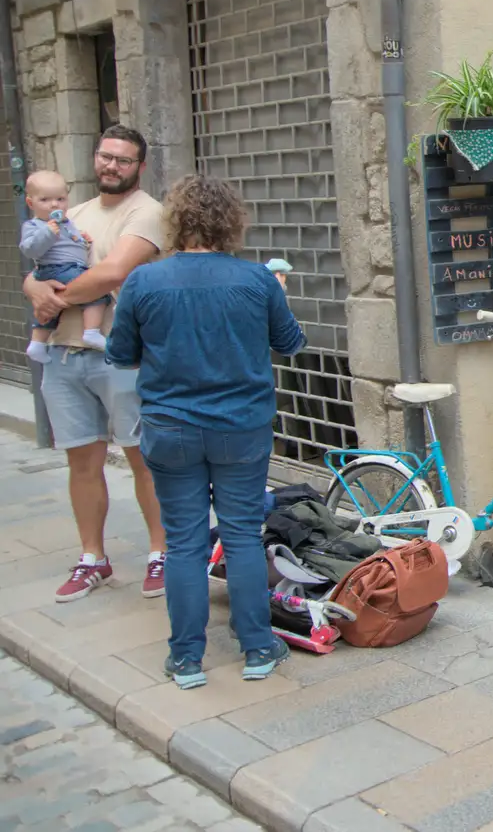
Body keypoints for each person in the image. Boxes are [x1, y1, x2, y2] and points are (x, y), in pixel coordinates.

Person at [107, 174, 306, 688]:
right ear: (230, 222)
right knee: (241, 537)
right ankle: (259, 648)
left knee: (184, 544)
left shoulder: (144, 281)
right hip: (241, 427)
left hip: (171, 429)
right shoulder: (256, 280)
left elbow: (120, 354)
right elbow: (290, 342)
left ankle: (187, 659)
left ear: (175, 222)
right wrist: (276, 294)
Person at [23, 126, 168, 602]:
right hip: (65, 356)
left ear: (139, 167)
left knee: (142, 460)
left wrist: (50, 300)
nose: (112, 166)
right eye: (106, 157)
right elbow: (35, 269)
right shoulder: (73, 211)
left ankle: (160, 553)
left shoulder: (147, 213)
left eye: (123, 161)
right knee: (81, 462)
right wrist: (34, 291)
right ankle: (93, 559)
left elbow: (114, 272)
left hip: (121, 358)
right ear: (95, 157)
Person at [19, 170, 112, 362]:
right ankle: (92, 331)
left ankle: (37, 344)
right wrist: (47, 234)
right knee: (98, 292)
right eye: (45, 200)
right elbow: (29, 249)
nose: (54, 204)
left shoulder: (66, 222)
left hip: (68, 267)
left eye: (60, 199)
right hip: (58, 268)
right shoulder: (34, 225)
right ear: (31, 203)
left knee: (52, 309)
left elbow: (71, 240)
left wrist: (82, 240)